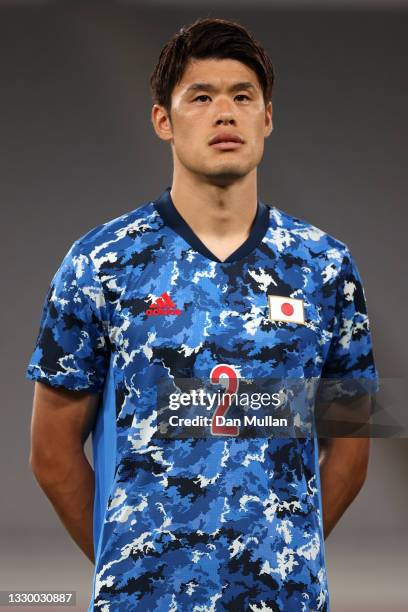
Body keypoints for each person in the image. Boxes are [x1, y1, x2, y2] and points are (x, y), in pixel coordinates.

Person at [26, 17, 379, 611]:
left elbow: (353, 444)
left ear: (267, 117)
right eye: (201, 97)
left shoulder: (326, 266)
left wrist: (288, 551)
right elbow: (50, 453)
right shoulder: (101, 261)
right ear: (163, 120)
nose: (225, 112)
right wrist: (133, 562)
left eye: (243, 96)